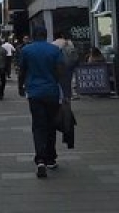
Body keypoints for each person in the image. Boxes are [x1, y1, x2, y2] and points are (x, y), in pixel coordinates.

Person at [18, 28, 65, 179]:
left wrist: (20, 87)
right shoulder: (54, 50)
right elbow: (60, 71)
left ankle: (40, 160)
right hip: (51, 92)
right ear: (46, 36)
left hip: (34, 93)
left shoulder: (27, 50)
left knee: (38, 126)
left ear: (33, 36)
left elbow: (22, 71)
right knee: (51, 125)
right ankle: (51, 158)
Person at [52, 32, 79, 100]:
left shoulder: (53, 44)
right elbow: (72, 54)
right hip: (69, 64)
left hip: (59, 65)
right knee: (69, 81)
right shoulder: (69, 42)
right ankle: (69, 96)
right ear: (62, 35)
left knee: (59, 82)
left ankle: (60, 96)